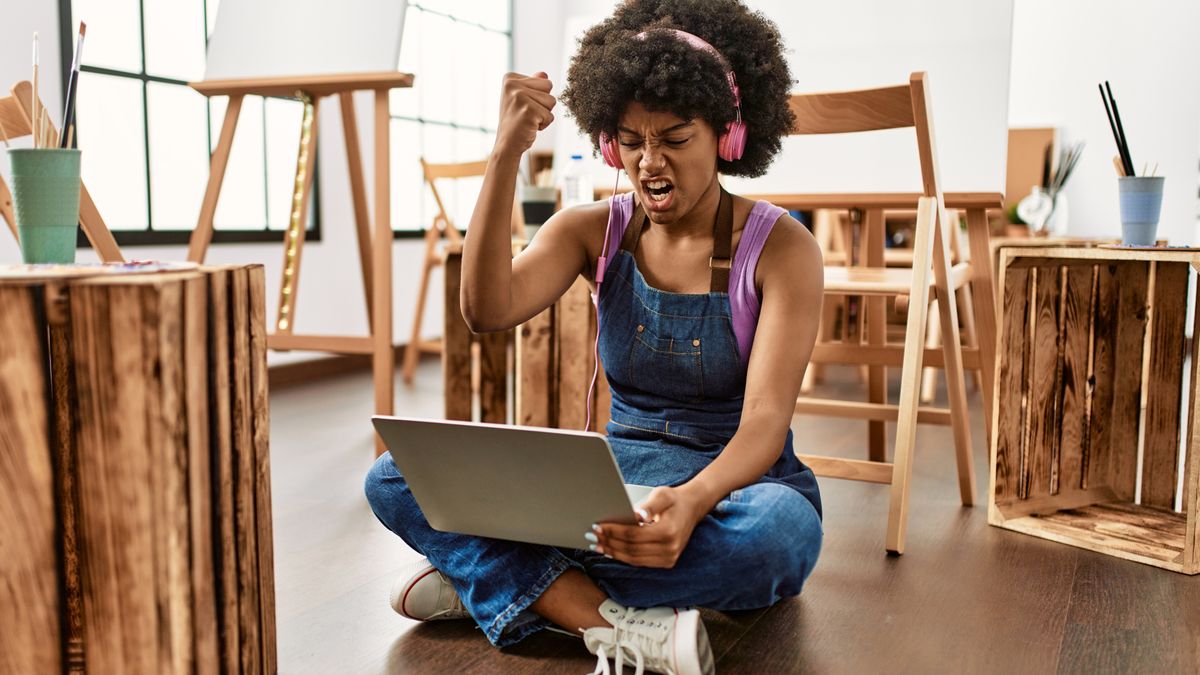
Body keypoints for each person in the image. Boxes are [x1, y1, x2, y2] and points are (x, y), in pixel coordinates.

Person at [365, 1, 823, 672]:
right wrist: (505, 152)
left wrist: (693, 502)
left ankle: (498, 582)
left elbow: (763, 424)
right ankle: (600, 617)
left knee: (778, 539)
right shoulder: (592, 229)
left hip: (730, 486)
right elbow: (486, 309)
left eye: (674, 137)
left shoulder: (783, 248)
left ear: (727, 135)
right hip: (610, 485)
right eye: (631, 141)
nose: (649, 162)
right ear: (609, 143)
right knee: (391, 476)